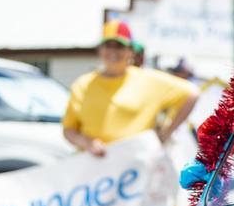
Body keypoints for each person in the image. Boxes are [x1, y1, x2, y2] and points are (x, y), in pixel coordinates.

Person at [62, 20, 199, 157]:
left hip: (135, 165)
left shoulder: (149, 80)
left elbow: (192, 94)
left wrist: (165, 134)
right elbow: (69, 130)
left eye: (119, 46)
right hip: (94, 165)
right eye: (108, 45)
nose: (113, 51)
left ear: (130, 51)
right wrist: (87, 143)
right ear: (100, 49)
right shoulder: (83, 84)